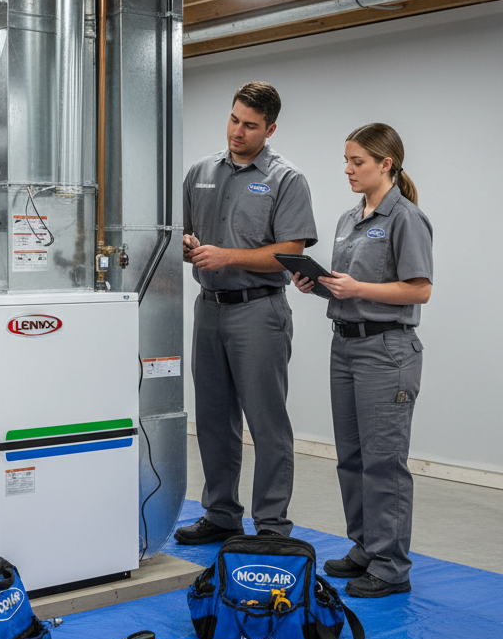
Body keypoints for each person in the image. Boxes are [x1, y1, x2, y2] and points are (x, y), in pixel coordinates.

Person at [292, 122, 432, 597]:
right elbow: (347, 289)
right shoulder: (349, 219)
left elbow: (420, 289)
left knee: (384, 462)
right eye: (346, 162)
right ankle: (366, 547)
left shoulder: (405, 218)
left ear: (385, 164)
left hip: (386, 351)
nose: (349, 170)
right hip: (346, 345)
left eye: (358, 162)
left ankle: (391, 566)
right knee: (351, 458)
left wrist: (358, 288)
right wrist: (316, 285)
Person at [176, 82, 318, 545]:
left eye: (250, 125)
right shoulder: (200, 171)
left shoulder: (286, 179)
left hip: (259, 311)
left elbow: (291, 251)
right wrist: (187, 245)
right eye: (234, 119)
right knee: (213, 420)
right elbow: (183, 234)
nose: (238, 131)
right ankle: (221, 514)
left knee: (266, 422)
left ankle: (272, 525)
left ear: (269, 129)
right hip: (208, 309)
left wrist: (228, 256)